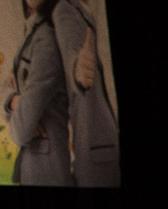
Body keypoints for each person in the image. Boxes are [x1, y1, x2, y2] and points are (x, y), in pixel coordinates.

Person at [3, 0, 71, 186]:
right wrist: (15, 101)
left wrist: (16, 114)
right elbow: (5, 88)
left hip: (48, 169)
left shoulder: (46, 39)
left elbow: (20, 132)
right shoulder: (32, 34)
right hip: (33, 164)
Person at [50, 0, 118, 186]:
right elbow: (70, 51)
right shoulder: (65, 8)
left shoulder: (88, 8)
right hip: (96, 147)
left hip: (106, 140)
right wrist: (77, 71)